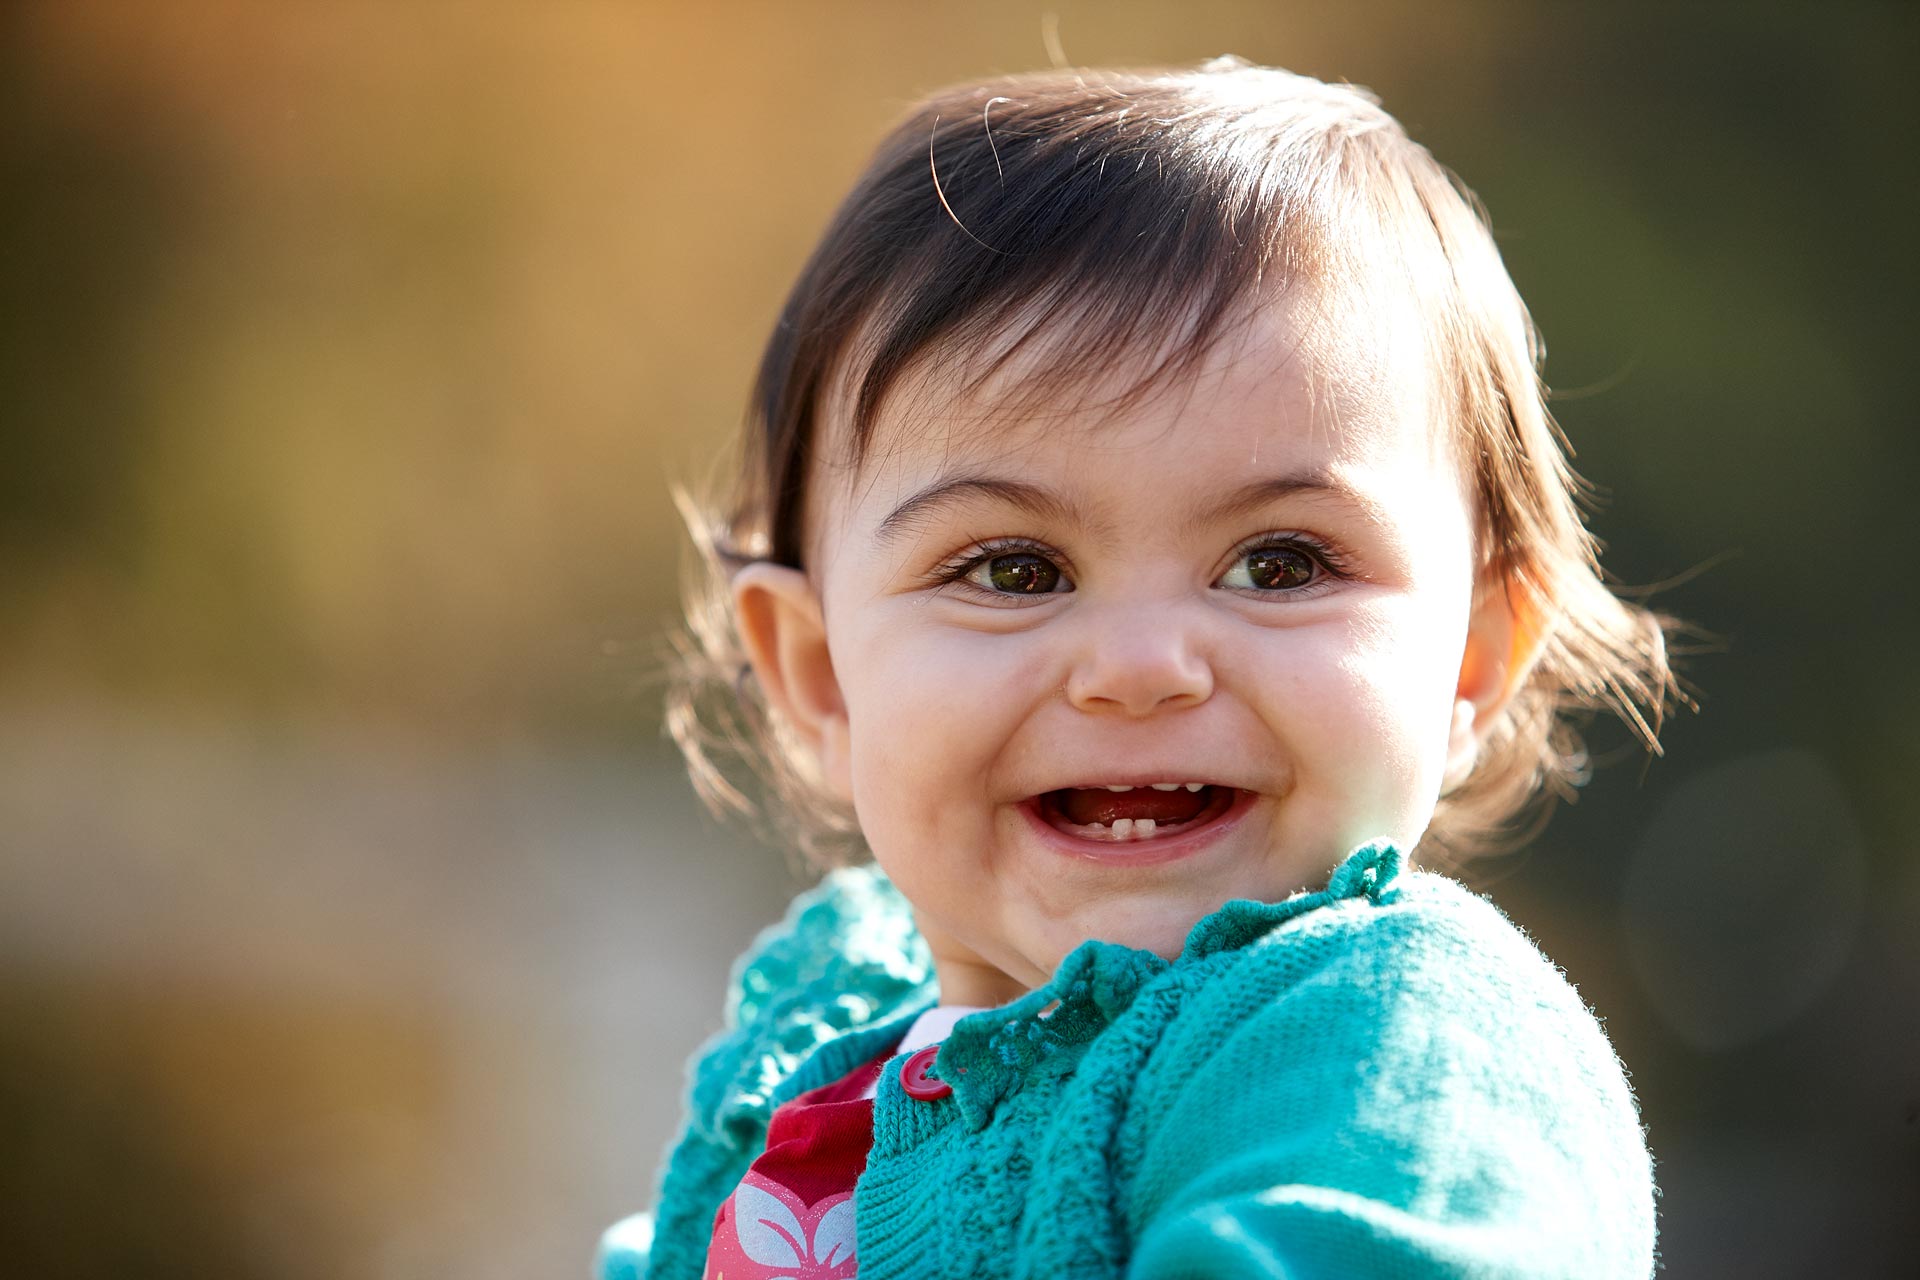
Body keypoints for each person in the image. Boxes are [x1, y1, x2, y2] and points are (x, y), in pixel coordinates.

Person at [601, 57, 1683, 1279]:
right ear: (821, 675)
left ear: (1472, 657)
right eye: (1015, 570)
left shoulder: (1387, 1046)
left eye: (1278, 563)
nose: (1141, 667)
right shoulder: (819, 1059)